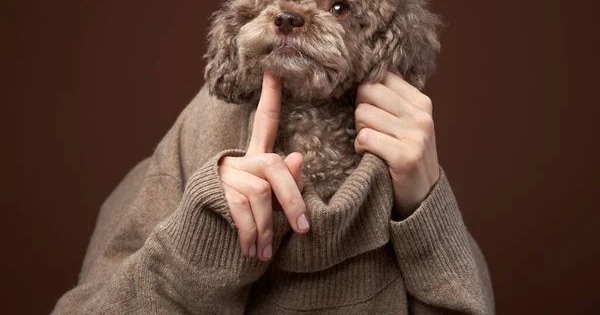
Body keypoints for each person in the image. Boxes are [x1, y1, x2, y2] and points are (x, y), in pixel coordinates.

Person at [53, 71, 495, 314]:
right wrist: (204, 235)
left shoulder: (407, 185)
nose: (295, 20)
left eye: (339, 7)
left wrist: (424, 207)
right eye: (278, 3)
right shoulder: (173, 168)